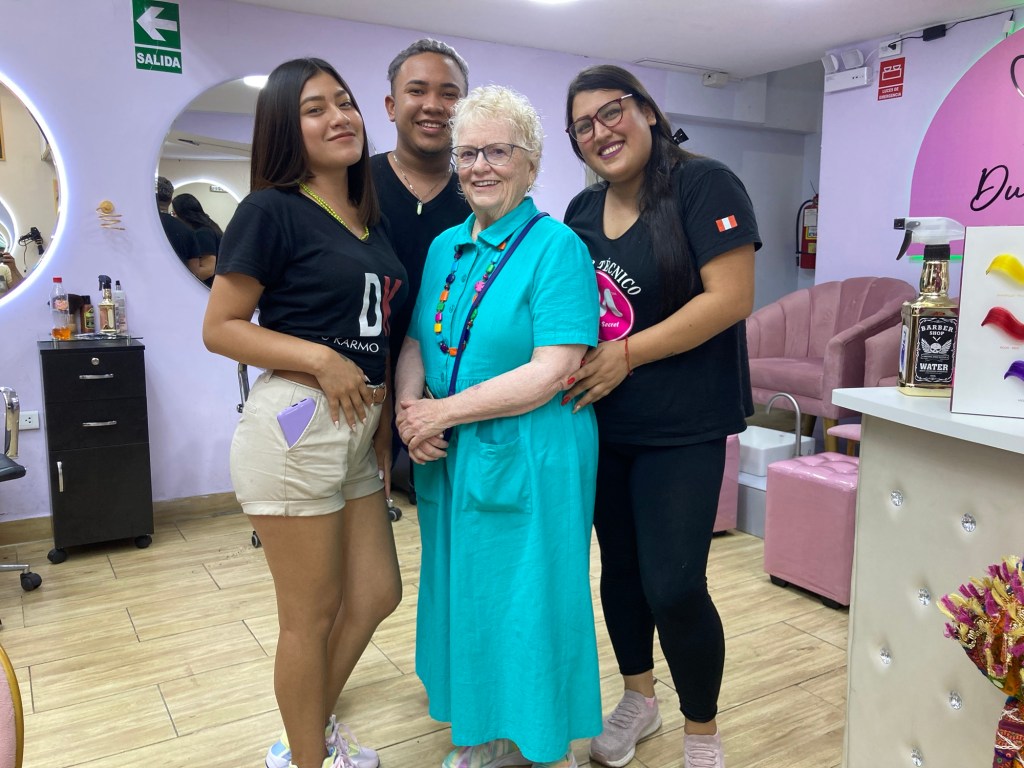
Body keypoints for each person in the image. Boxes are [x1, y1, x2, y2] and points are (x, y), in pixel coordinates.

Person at [202, 57, 407, 768]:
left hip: (356, 426)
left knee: (377, 593)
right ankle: (306, 756)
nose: (339, 117)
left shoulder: (368, 220)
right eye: (315, 109)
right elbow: (221, 327)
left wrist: (382, 425)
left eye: (345, 102)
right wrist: (321, 358)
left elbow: (376, 332)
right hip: (296, 425)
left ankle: (307, 733)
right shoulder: (271, 209)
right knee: (309, 617)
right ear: (286, 130)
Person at [395, 85, 601, 768]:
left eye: (497, 152)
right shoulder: (445, 246)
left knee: (528, 598)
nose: (480, 166)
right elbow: (417, 340)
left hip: (531, 451)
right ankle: (482, 727)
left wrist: (440, 413)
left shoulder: (557, 248)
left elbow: (554, 369)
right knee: (466, 592)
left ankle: (537, 740)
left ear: (531, 163)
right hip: (452, 452)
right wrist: (408, 413)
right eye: (467, 153)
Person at [562, 65, 761, 768]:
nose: (600, 132)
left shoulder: (705, 184)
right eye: (582, 126)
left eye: (611, 112)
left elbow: (730, 297)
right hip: (604, 422)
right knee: (620, 571)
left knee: (674, 585)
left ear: (646, 111)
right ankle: (638, 698)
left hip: (685, 425)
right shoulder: (581, 212)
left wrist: (627, 354)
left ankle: (701, 733)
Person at [370, 38, 471, 502]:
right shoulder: (353, 186)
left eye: (449, 94)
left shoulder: (480, 195)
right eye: (417, 90)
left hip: (449, 395)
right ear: (392, 106)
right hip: (358, 388)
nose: (433, 105)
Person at [171, 192, 223, 287]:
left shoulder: (203, 233)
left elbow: (208, 270)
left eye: (174, 214)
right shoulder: (210, 226)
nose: (174, 218)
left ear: (183, 214)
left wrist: (181, 282)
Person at [156, 176, 203, 280]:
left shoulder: (141, 228)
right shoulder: (187, 231)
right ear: (170, 200)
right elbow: (195, 273)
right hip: (176, 286)